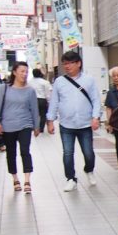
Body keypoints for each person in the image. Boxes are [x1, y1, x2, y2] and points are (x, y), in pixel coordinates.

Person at [47, 50, 101, 192]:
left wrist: (96, 117)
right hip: (66, 124)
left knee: (88, 153)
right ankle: (71, 178)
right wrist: (50, 120)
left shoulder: (88, 80)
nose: (67, 66)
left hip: (85, 124)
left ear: (78, 63)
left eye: (70, 63)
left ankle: (89, 170)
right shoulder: (59, 82)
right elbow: (54, 102)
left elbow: (96, 100)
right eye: (65, 63)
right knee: (68, 153)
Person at [0, 62, 39, 193]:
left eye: (26, 72)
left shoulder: (30, 90)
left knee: (25, 150)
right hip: (8, 126)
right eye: (22, 71)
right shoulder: (4, 88)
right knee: (11, 153)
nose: (24, 74)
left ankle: (27, 180)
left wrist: (36, 126)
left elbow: (34, 109)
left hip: (25, 124)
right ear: (14, 72)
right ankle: (15, 178)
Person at [30, 69, 52, 134]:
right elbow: (48, 93)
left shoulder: (29, 82)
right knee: (43, 115)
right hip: (42, 100)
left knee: (33, 114)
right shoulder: (45, 82)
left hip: (32, 100)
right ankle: (41, 128)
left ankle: (33, 127)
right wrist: (48, 101)